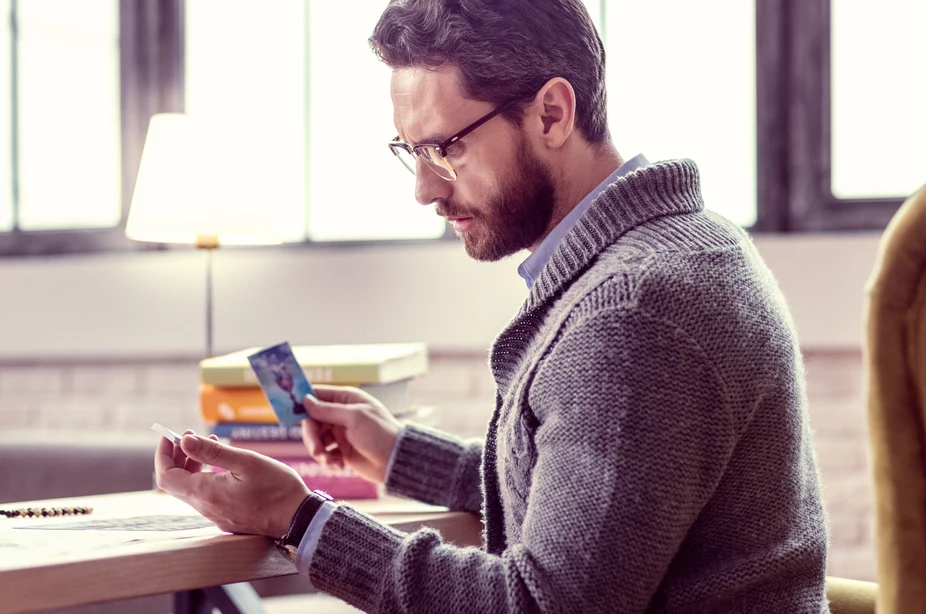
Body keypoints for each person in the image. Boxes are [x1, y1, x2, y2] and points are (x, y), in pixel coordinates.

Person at [154, 0, 830, 611]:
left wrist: (300, 520)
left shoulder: (634, 312)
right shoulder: (674, 247)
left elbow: (541, 604)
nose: (424, 189)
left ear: (552, 114)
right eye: (411, 152)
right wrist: (395, 454)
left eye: (446, 149)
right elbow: (597, 506)